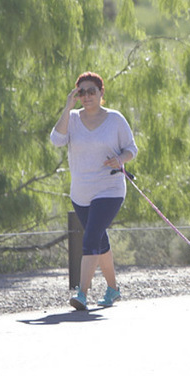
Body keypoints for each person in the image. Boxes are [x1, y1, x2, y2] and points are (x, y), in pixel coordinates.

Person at [50, 71, 138, 310]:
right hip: (81, 192)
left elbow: (131, 149)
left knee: (90, 238)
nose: (87, 96)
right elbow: (56, 140)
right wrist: (67, 108)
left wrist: (120, 159)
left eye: (92, 91)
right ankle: (113, 289)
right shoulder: (72, 119)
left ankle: (82, 293)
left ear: (101, 93)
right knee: (100, 239)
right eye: (82, 92)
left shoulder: (115, 119)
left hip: (109, 188)